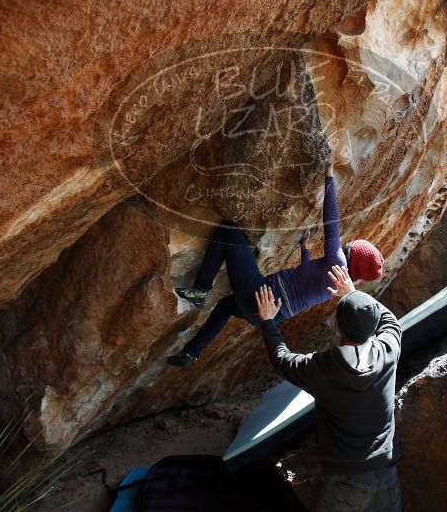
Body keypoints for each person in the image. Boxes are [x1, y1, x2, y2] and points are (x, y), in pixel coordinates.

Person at [166, 166, 385, 367]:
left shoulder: (338, 263)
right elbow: (306, 280)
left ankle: (200, 290)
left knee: (228, 232)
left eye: (353, 246)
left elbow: (332, 223)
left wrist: (329, 179)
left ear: (353, 256)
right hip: (265, 315)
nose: (347, 244)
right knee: (225, 306)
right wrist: (305, 250)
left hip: (260, 295)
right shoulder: (339, 284)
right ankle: (191, 353)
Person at [254, 265, 402, 512]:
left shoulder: (323, 370)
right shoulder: (388, 350)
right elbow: (389, 320)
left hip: (347, 480)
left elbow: (281, 360)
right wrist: (353, 294)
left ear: (337, 325)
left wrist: (268, 321)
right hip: (386, 473)